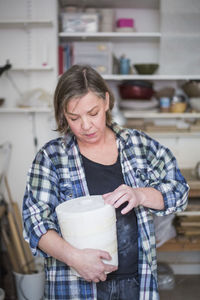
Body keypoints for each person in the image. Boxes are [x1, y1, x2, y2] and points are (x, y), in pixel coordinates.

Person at [23, 64, 189, 300]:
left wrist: (141, 194)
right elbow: (34, 223)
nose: (86, 125)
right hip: (76, 286)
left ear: (107, 102)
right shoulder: (51, 158)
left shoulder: (139, 146)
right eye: (74, 117)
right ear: (62, 113)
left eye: (93, 113)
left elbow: (179, 190)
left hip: (135, 282)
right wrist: (74, 258)